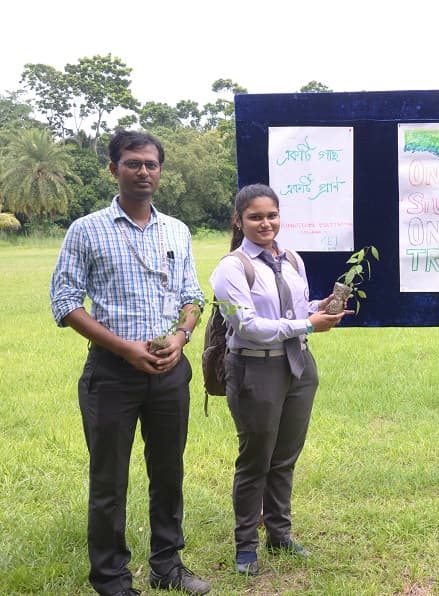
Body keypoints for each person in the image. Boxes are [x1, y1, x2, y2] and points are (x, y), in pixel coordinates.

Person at [50, 130, 210, 595]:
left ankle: (167, 565)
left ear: (161, 170)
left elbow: (192, 296)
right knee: (109, 481)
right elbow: (64, 302)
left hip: (168, 372)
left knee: (168, 473)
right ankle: (111, 579)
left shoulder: (176, 230)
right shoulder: (87, 229)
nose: (144, 171)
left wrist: (181, 337)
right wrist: (125, 349)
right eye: (133, 163)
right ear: (113, 169)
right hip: (112, 374)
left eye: (151, 164)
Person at [209, 183, 349, 576]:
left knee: (285, 458)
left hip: (299, 365)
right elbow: (248, 326)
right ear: (239, 221)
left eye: (271, 215)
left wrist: (318, 307)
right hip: (256, 369)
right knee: (256, 460)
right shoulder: (232, 268)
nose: (265, 223)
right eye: (255, 217)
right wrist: (307, 323)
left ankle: (279, 534)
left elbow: (293, 307)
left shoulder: (291, 258)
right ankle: (245, 546)